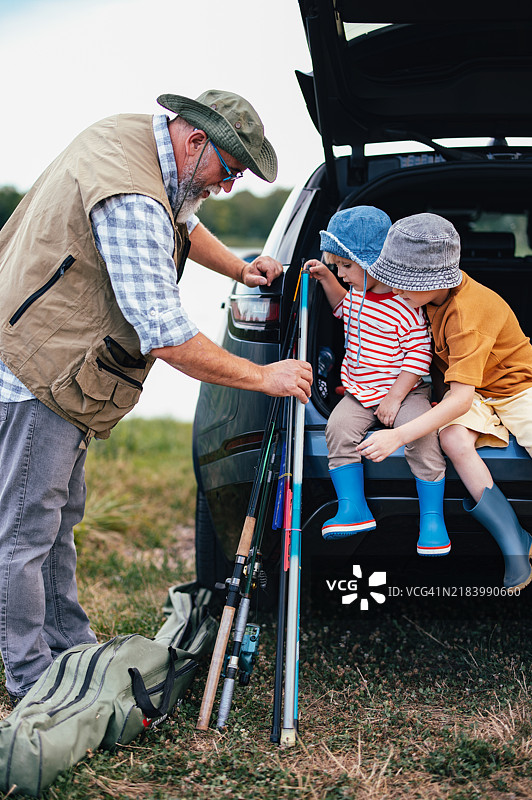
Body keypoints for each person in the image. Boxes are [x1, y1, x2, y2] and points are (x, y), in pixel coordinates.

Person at [0, 89, 313, 705]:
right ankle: (30, 676)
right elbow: (167, 335)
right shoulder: (133, 196)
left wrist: (241, 270)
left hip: (54, 362)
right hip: (38, 371)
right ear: (196, 141)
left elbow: (186, 224)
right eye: (230, 170)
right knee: (25, 532)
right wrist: (266, 376)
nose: (229, 187)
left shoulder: (142, 143)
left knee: (58, 520)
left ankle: (68, 649)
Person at [358, 212, 532, 592]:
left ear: (432, 282)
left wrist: (397, 437)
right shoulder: (424, 299)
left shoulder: (468, 314)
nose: (394, 289)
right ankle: (513, 539)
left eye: (402, 283)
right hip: (473, 391)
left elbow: (458, 401)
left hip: (516, 388)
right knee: (453, 440)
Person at [306, 206, 448, 554]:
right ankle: (353, 508)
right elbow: (341, 309)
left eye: (346, 266)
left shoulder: (405, 303)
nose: (342, 274)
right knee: (337, 429)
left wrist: (395, 399)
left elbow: (418, 357)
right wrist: (326, 278)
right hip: (359, 391)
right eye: (338, 267)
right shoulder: (356, 293)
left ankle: (433, 519)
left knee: (422, 432)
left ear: (373, 261)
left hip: (406, 391)